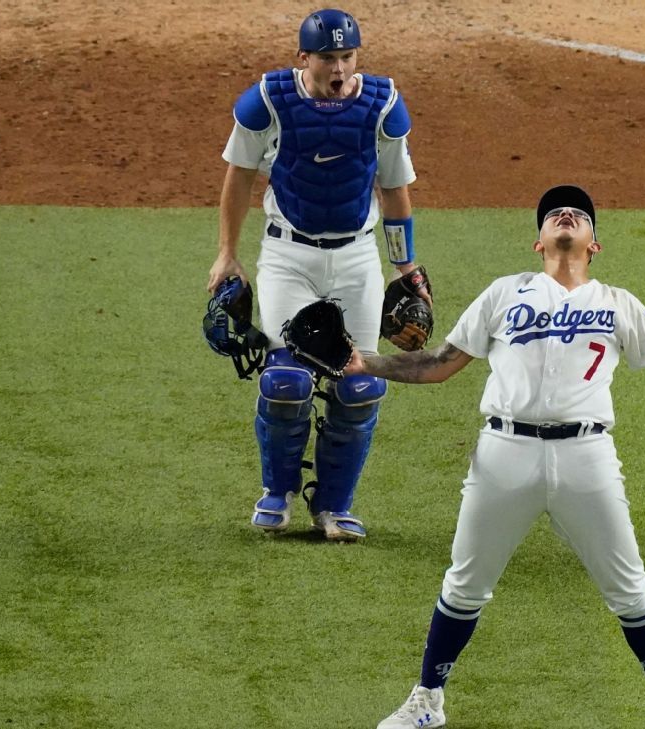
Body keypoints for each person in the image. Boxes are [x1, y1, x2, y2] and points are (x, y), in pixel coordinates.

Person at [350, 185, 645, 728]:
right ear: (537, 242)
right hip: (503, 452)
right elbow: (441, 363)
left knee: (629, 588)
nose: (566, 216)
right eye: (555, 215)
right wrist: (366, 363)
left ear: (595, 245)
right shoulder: (502, 294)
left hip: (587, 455)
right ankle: (427, 700)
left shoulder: (618, 305)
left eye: (579, 216)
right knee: (464, 583)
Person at [206, 8, 427, 541]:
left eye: (347, 56)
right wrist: (227, 254)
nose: (339, 67)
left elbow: (396, 190)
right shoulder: (267, 102)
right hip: (288, 258)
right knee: (286, 381)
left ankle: (333, 507)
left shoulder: (382, 108)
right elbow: (238, 179)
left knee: (361, 383)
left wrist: (406, 265)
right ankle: (276, 494)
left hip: (356, 258)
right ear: (303, 58)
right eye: (328, 57)